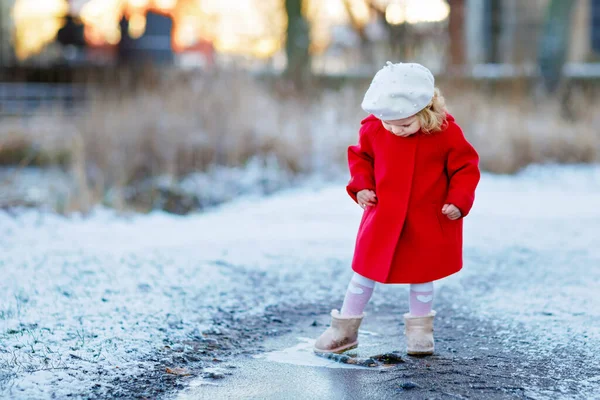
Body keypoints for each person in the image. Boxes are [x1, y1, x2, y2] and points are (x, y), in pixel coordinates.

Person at [314, 62, 480, 356]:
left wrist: (458, 199)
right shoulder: (376, 128)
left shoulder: (444, 133)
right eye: (388, 123)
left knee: (422, 272)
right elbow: (361, 158)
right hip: (383, 216)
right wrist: (362, 185)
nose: (394, 130)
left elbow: (466, 167)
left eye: (403, 124)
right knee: (364, 270)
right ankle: (344, 330)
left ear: (425, 109)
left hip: (427, 216)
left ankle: (420, 332)